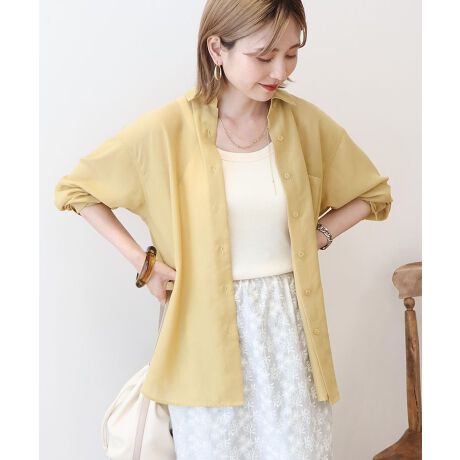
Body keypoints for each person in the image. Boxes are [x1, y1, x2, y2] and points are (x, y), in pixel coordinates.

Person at [54, 1, 393, 458]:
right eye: (264, 55)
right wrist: (144, 263)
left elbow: (373, 193)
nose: (280, 71)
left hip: (287, 333)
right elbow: (76, 190)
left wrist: (319, 234)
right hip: (203, 339)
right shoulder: (167, 129)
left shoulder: (304, 124)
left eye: (292, 54)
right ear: (217, 48)